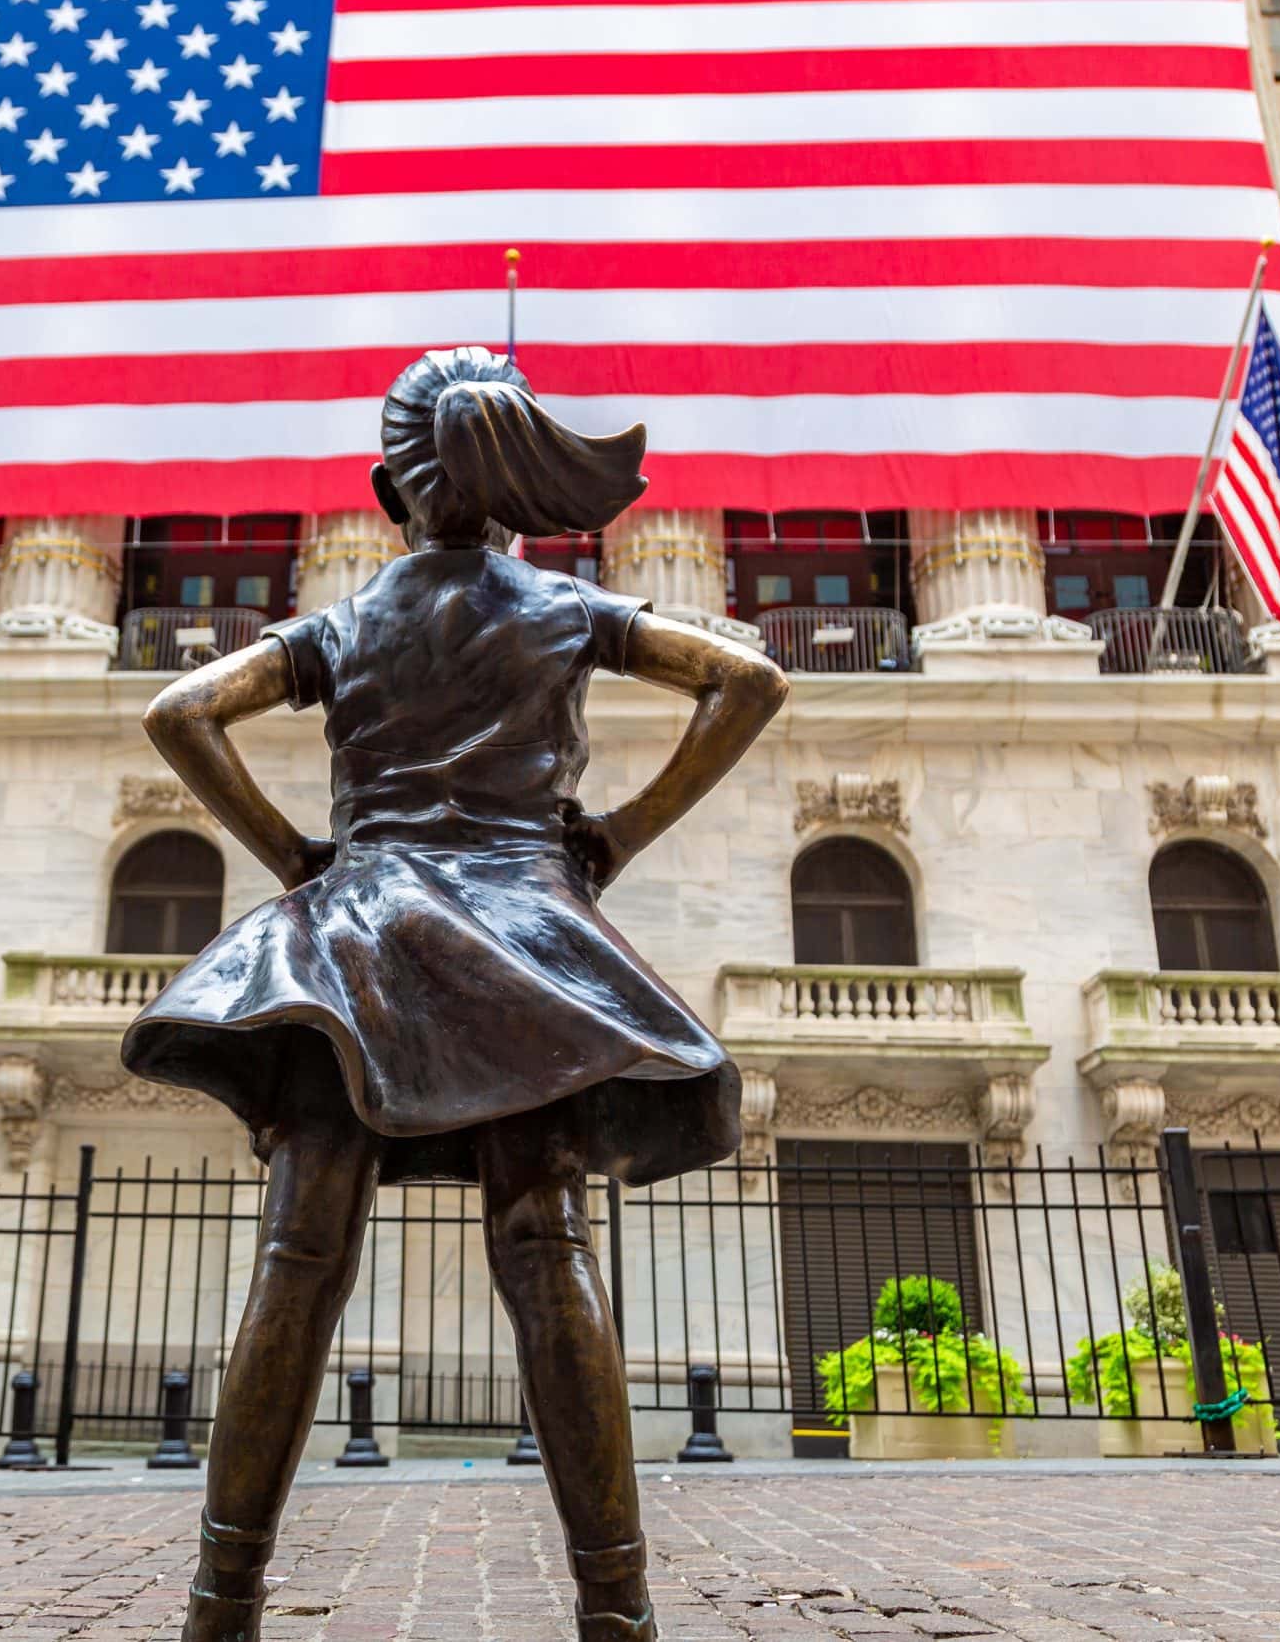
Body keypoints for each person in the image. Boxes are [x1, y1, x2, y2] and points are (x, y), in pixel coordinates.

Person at [123, 347, 789, 1641]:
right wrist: (616, 836)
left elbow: (181, 712)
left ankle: (221, 1606)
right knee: (547, 1255)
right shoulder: (563, 610)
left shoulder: (349, 622)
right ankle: (619, 1613)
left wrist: (299, 861)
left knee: (299, 1260)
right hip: (524, 941)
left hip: (358, 936)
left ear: (392, 489)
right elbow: (749, 682)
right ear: (513, 488)